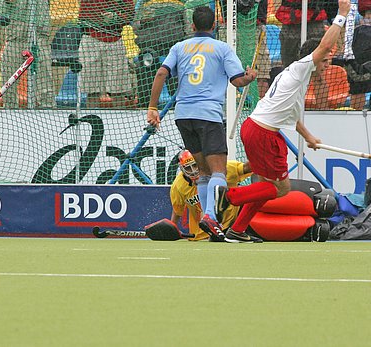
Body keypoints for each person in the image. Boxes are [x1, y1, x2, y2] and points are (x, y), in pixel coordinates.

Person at [214, 0, 351, 243]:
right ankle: (230, 196)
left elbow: (291, 114)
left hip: (257, 129)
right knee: (281, 189)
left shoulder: (294, 74)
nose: (328, 65)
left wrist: (308, 136)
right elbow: (326, 43)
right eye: (326, 61)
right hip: (263, 133)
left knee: (267, 187)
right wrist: (341, 15)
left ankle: (237, 230)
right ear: (315, 57)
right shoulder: (301, 68)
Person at [146, 6, 256, 241]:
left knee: (203, 172)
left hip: (183, 115)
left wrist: (153, 108)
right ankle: (211, 218)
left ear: (192, 26)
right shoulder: (222, 48)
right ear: (214, 27)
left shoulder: (179, 47)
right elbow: (237, 81)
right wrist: (250, 76)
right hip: (208, 114)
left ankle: (210, 225)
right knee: (218, 171)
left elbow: (160, 73)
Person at [170, 150, 253, 241]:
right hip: (202, 235)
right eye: (188, 168)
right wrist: (171, 229)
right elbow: (177, 211)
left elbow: (246, 167)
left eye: (195, 165)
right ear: (182, 169)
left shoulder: (222, 168)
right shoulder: (178, 186)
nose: (193, 171)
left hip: (229, 227)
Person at [78, 0, 135, 108]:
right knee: (92, 90)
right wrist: (101, 19)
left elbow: (130, 14)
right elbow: (83, 16)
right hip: (91, 40)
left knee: (118, 90)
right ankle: (92, 117)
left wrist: (115, 17)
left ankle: (119, 120)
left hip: (115, 40)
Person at [1, 0, 55, 108]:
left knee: (45, 84)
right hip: (15, 38)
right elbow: (0, 9)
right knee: (7, 81)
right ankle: (9, 110)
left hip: (39, 38)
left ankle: (48, 110)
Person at [343, 5, 371, 110]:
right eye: (368, 14)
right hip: (359, 60)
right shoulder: (358, 32)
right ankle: (355, 113)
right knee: (358, 86)